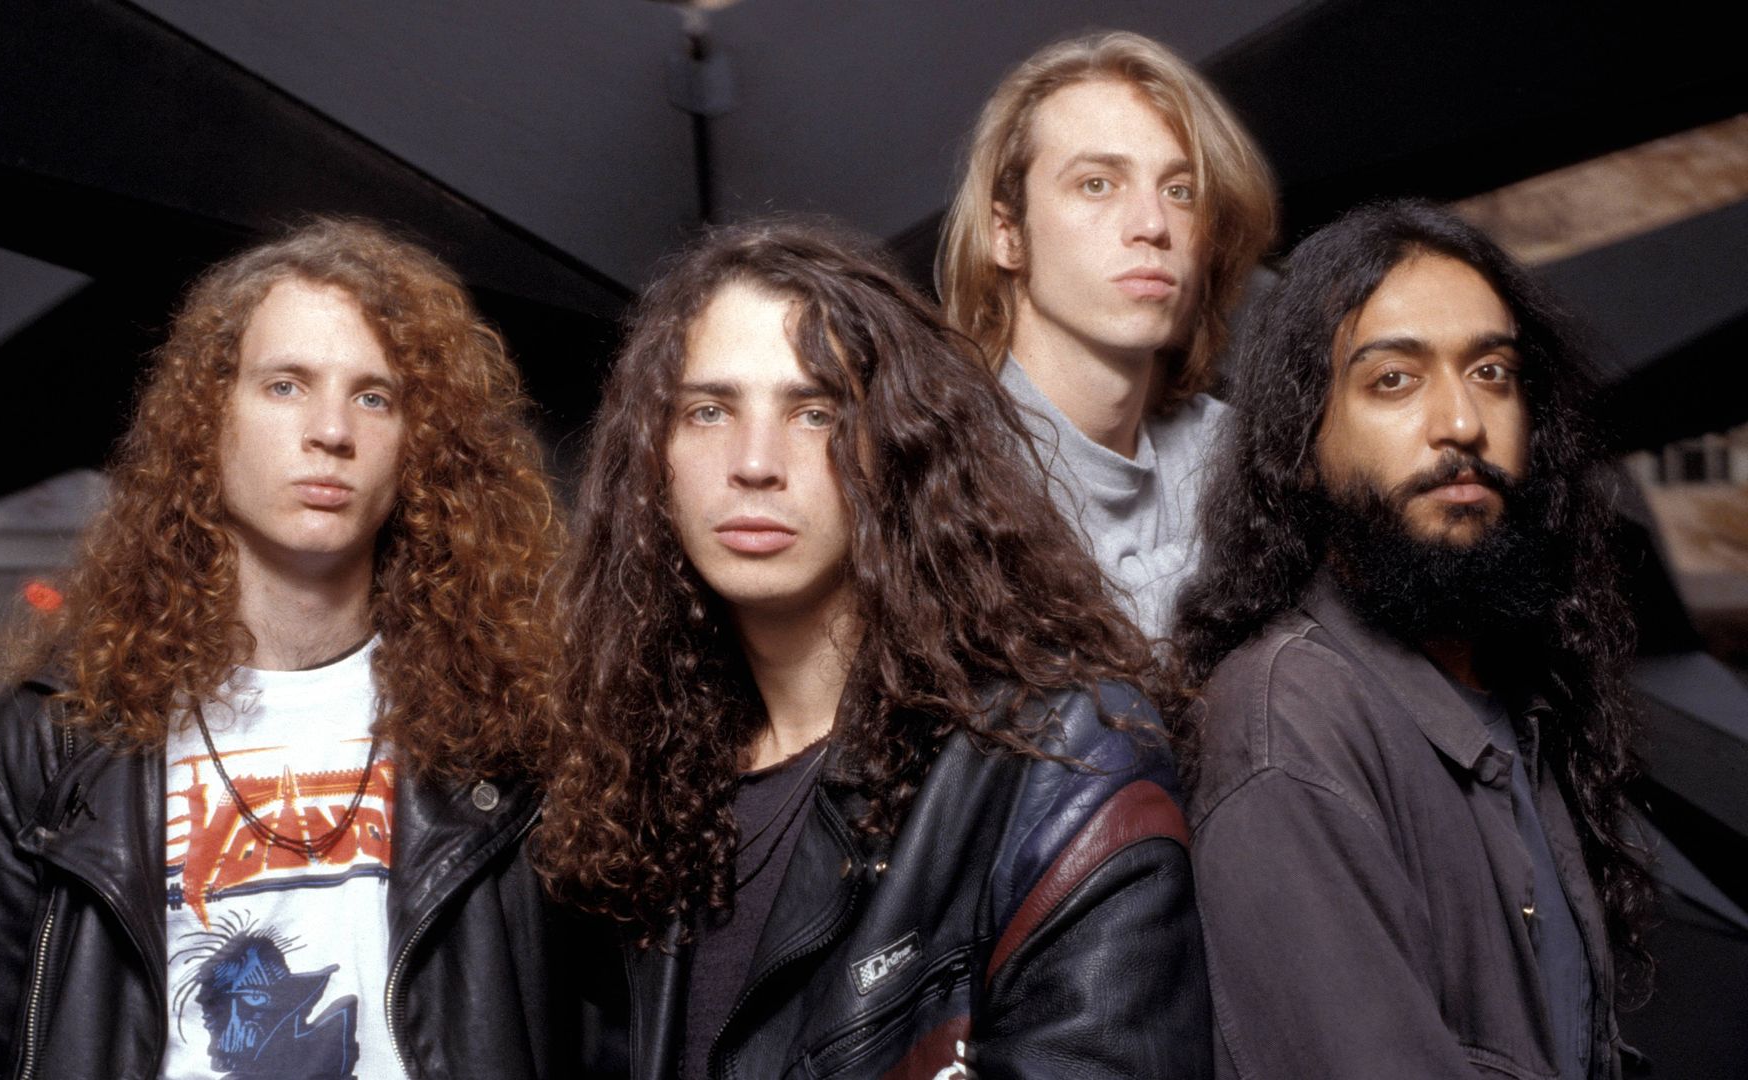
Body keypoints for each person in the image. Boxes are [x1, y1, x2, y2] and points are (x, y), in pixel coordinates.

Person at [532, 221, 1209, 1079]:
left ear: (899, 448)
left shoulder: (1059, 763)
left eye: (815, 411)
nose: (753, 462)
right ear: (652, 458)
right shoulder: (642, 778)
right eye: (708, 410)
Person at [0, 219, 569, 1079]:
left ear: (421, 447)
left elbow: (619, 1020)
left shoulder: (513, 719)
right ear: (208, 421)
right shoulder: (64, 729)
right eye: (286, 385)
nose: (331, 430)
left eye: (376, 396)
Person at [1173, 201, 1653, 1079]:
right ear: (1303, 440)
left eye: (1493, 372)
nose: (1462, 424)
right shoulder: (1290, 727)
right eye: (1394, 379)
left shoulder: (1519, 691)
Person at [937, 30, 1278, 637]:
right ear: (1006, 234)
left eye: (1180, 192)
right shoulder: (938, 477)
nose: (1152, 225)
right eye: (1097, 183)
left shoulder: (1234, 456)